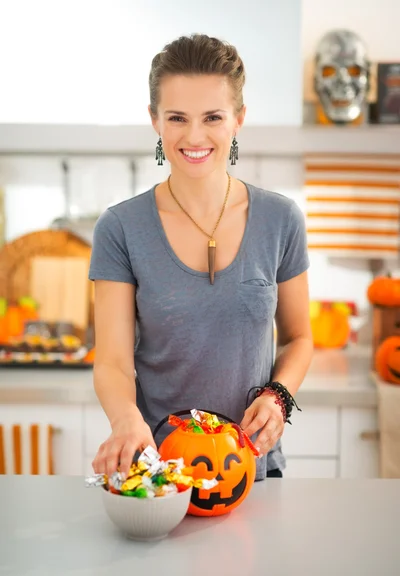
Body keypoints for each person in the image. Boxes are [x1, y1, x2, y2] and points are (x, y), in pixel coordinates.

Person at [89, 34, 313, 482]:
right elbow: (113, 361)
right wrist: (125, 419)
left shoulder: (281, 219)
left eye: (212, 117)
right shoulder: (120, 228)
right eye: (177, 118)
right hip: (157, 470)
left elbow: (298, 338)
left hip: (251, 468)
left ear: (238, 120)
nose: (194, 136)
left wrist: (278, 395)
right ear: (155, 120)